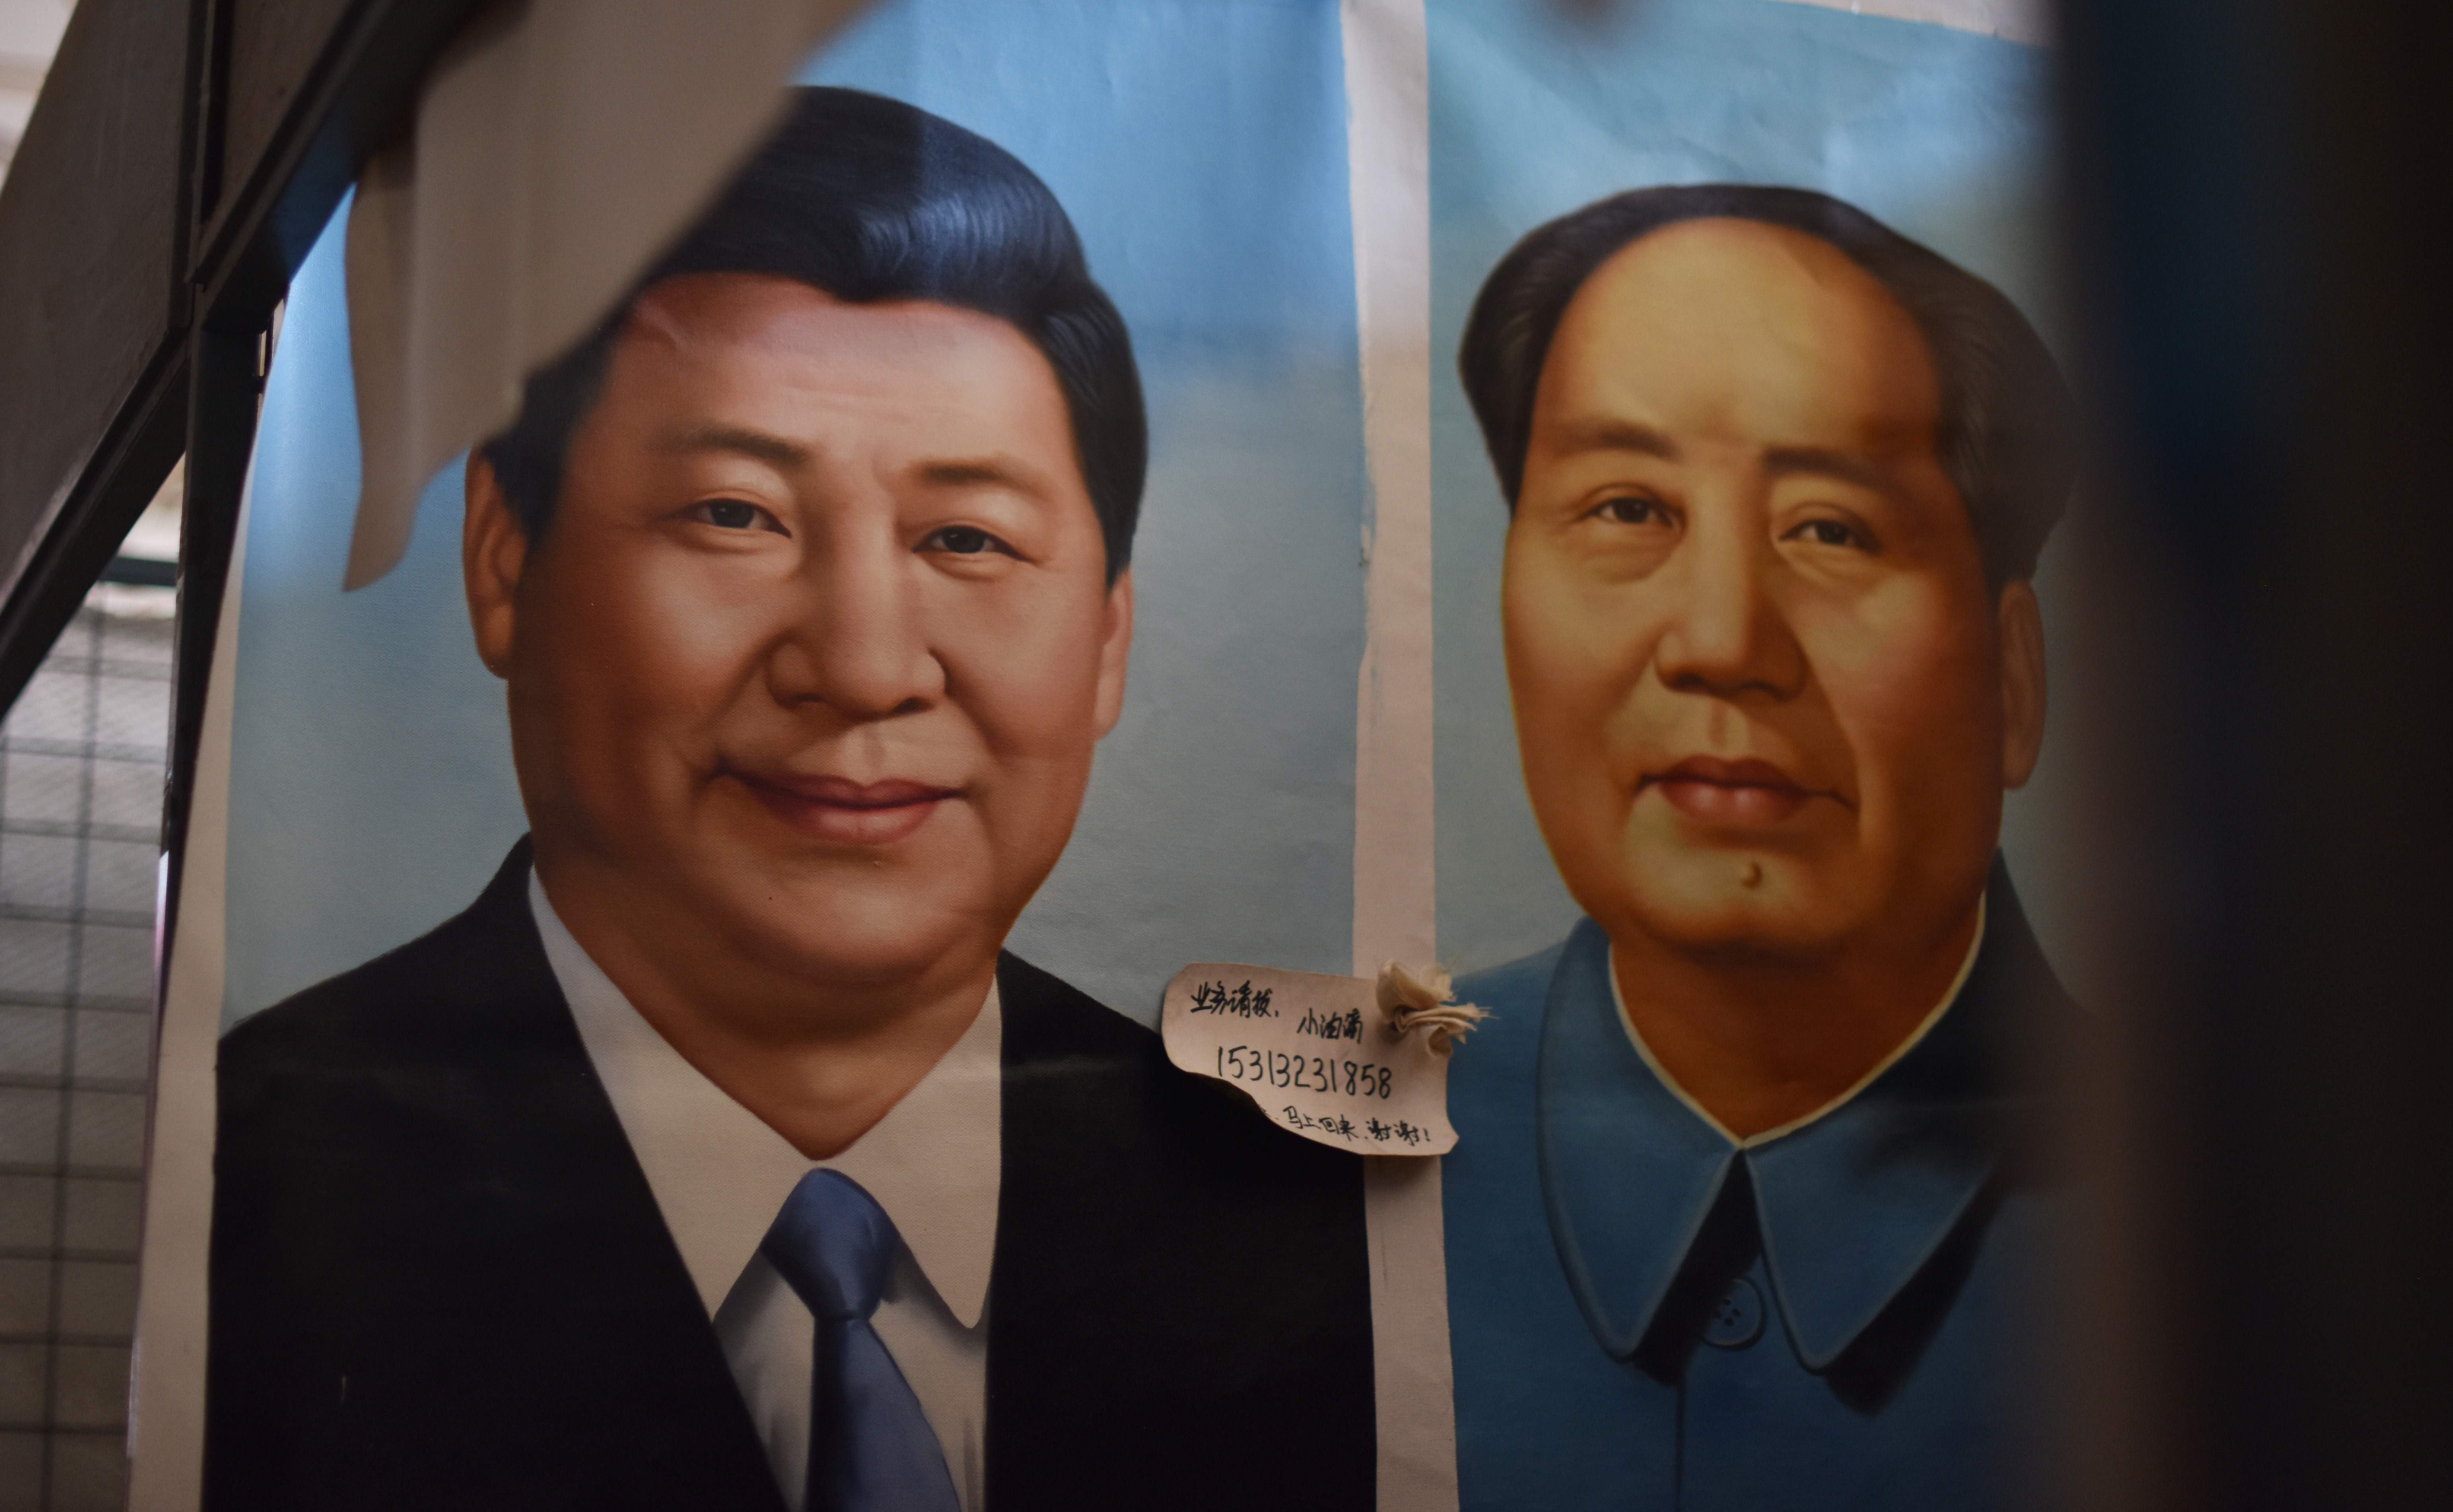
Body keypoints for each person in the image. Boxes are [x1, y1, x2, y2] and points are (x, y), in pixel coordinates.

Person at [206, 87, 1374, 1512]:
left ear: (1111, 637)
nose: (865, 666)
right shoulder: (249, 1188)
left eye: (967, 537)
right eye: (735, 514)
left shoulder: (1313, 1233)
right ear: (504, 561)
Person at [1439, 185, 2082, 1509]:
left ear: (2011, 679)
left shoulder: (2248, 1231)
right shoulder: (1298, 1180)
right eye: (1627, 508)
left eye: (1830, 529)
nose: (1722, 637)